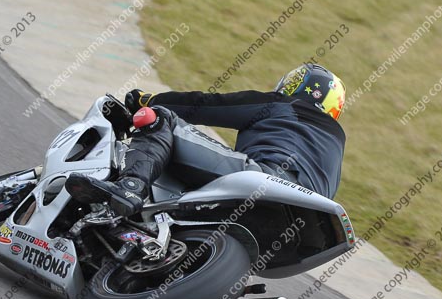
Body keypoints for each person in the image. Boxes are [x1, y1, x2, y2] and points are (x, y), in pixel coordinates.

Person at [65, 63, 347, 216]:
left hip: (265, 179)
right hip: (305, 218)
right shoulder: (336, 144)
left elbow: (207, 105)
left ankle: (131, 186)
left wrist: (147, 100)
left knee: (160, 118)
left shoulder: (282, 106)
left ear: (299, 87)